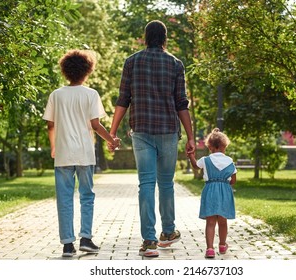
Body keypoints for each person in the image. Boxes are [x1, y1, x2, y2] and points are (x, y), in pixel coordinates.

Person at [108, 20, 195, 257]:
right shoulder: (175, 64)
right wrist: (191, 137)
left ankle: (149, 241)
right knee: (166, 183)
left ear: (145, 37)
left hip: (142, 131)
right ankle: (168, 232)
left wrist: (112, 132)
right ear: (165, 38)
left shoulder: (132, 62)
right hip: (168, 131)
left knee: (146, 184)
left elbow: (122, 99)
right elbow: (182, 104)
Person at [43, 49, 119, 257]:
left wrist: (53, 147)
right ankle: (86, 238)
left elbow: (51, 125)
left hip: (64, 155)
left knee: (64, 199)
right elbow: (95, 125)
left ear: (65, 71)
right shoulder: (91, 94)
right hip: (85, 154)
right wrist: (112, 140)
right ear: (87, 71)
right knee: (87, 196)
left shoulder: (56, 95)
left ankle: (68, 245)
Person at [187, 128, 237, 258]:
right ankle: (222, 244)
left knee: (210, 222)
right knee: (222, 221)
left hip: (210, 191)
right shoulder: (230, 161)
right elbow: (233, 180)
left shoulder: (205, 160)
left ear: (210, 147)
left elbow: (196, 166)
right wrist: (224, 184)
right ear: (224, 146)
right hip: (225, 192)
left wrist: (191, 156)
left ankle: (210, 249)